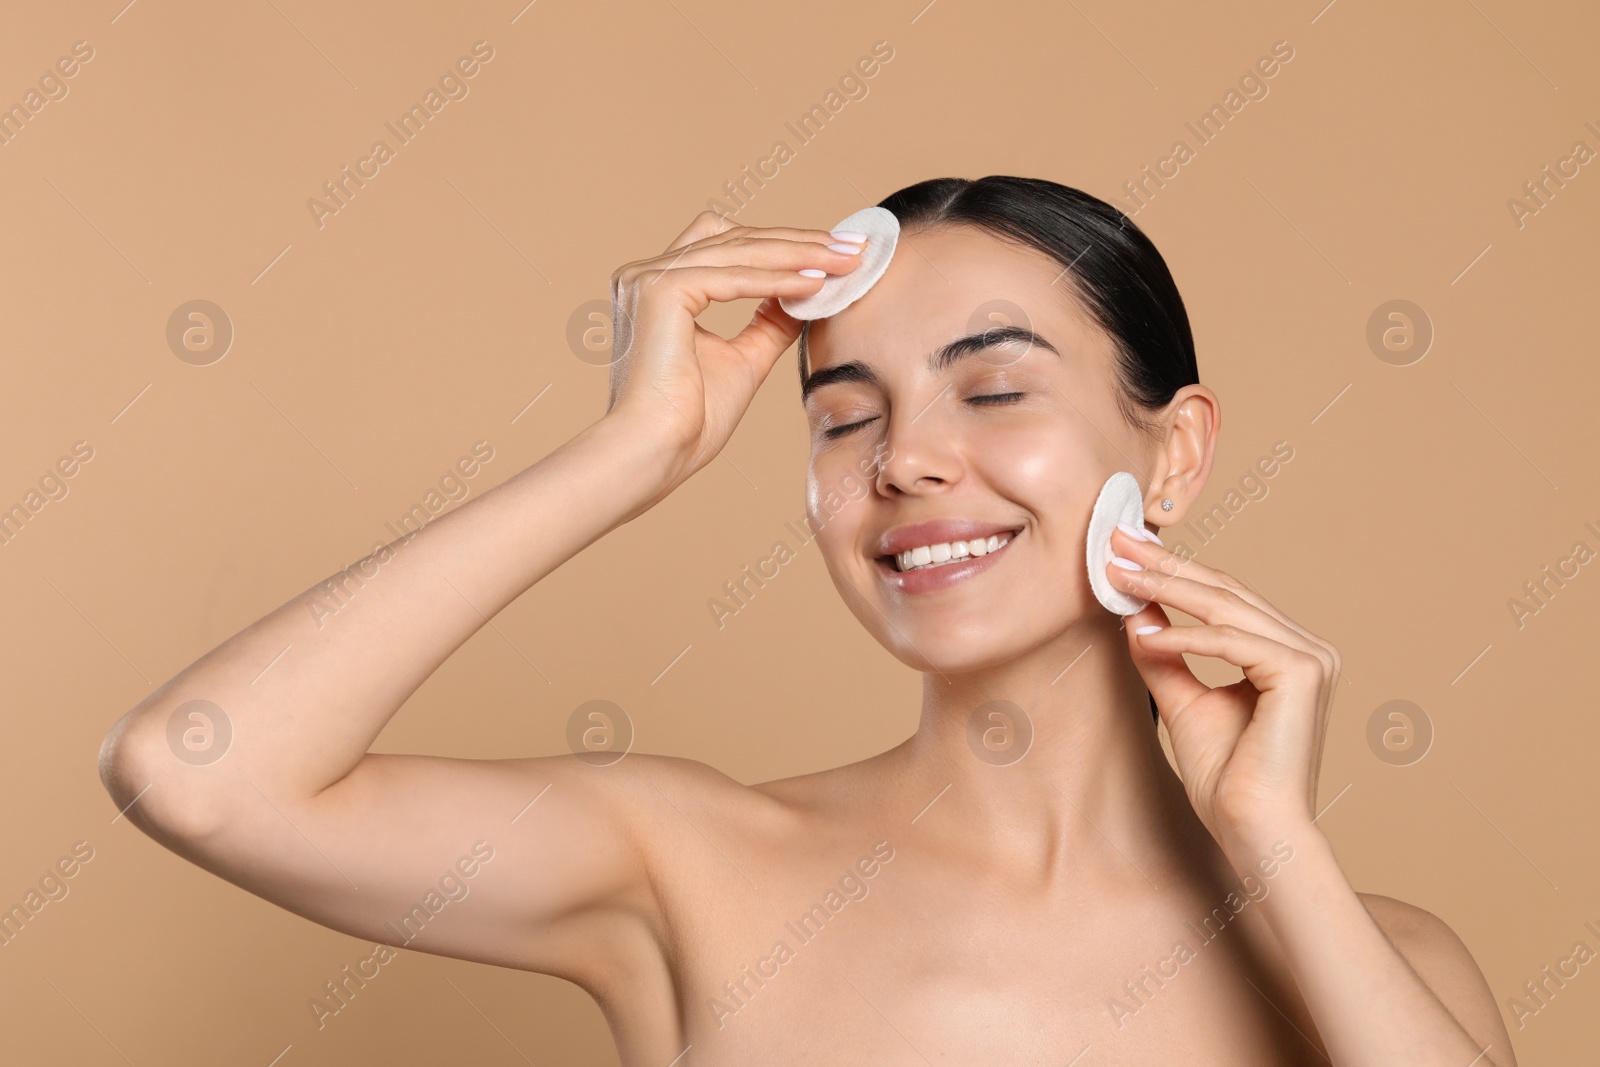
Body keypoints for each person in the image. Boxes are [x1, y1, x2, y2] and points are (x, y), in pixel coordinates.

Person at [98, 175, 1516, 1065]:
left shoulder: (1380, 965)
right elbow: (198, 771)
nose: (904, 460)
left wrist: (1279, 849)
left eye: (995, 388)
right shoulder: (692, 870)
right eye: (847, 419)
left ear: (1178, 454)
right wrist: (630, 453)